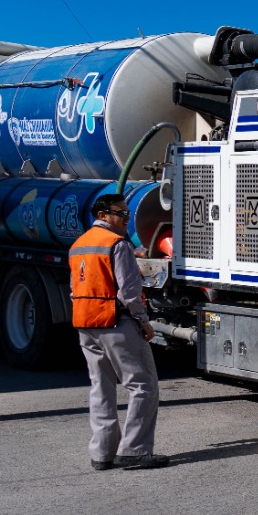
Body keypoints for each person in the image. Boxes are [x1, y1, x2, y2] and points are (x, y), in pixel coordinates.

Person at [69, 194, 167, 471]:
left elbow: (75, 288)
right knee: (143, 385)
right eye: (120, 214)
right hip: (116, 321)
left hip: (86, 323)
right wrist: (143, 321)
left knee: (101, 387)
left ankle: (102, 453)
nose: (126, 219)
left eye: (126, 213)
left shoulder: (78, 245)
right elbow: (129, 291)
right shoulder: (117, 245)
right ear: (102, 215)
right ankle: (134, 450)